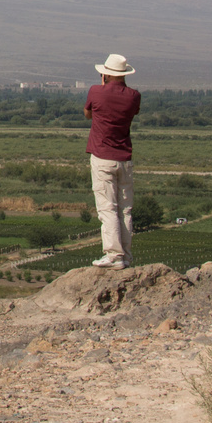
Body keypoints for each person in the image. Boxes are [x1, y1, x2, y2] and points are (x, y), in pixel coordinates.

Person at [83, 53, 141, 269]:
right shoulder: (134, 96)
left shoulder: (96, 91)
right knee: (125, 209)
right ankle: (125, 255)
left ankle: (113, 255)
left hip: (102, 157)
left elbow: (87, 114)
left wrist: (102, 85)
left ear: (105, 74)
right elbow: (133, 111)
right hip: (125, 158)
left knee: (107, 208)